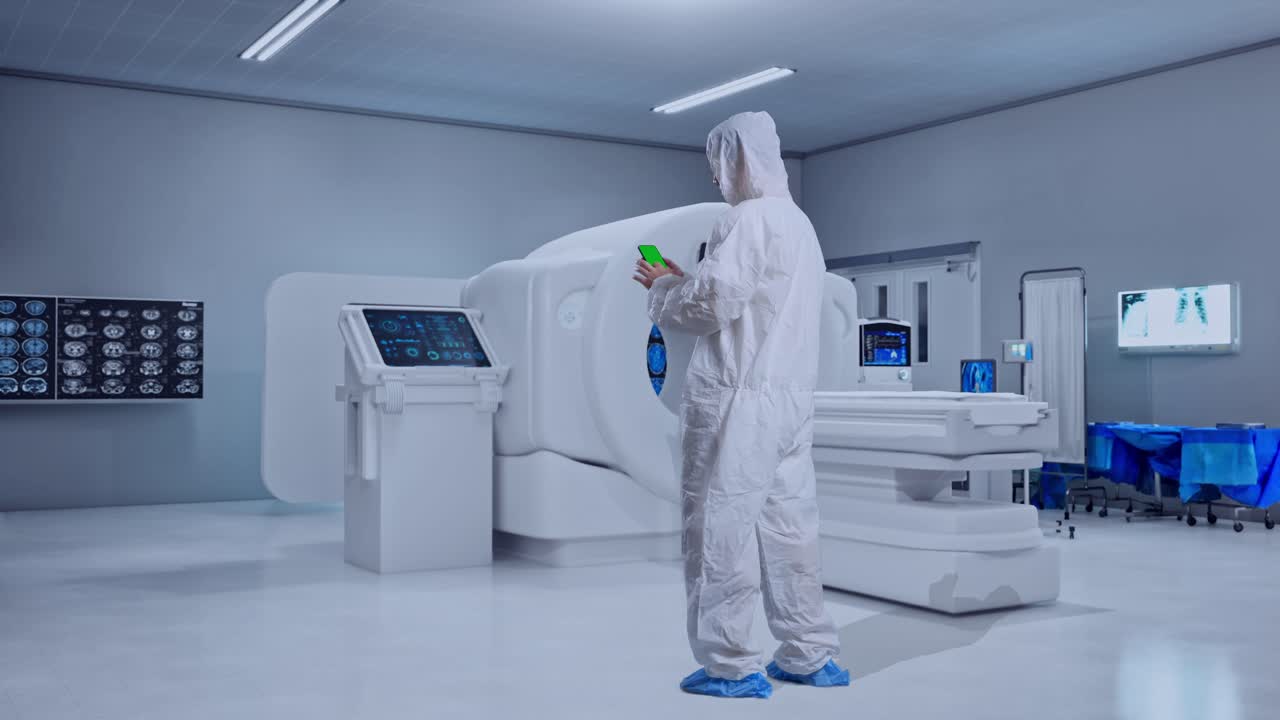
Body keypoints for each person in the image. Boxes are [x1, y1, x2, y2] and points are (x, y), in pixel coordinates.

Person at [633, 111, 849, 699]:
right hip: (791, 399)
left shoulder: (744, 220)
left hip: (738, 396)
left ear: (738, 161)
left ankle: (731, 663)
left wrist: (660, 289)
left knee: (718, 526)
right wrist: (691, 279)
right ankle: (808, 653)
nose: (715, 177)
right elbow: (750, 296)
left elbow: (713, 307)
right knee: (790, 525)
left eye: (718, 163)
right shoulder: (800, 224)